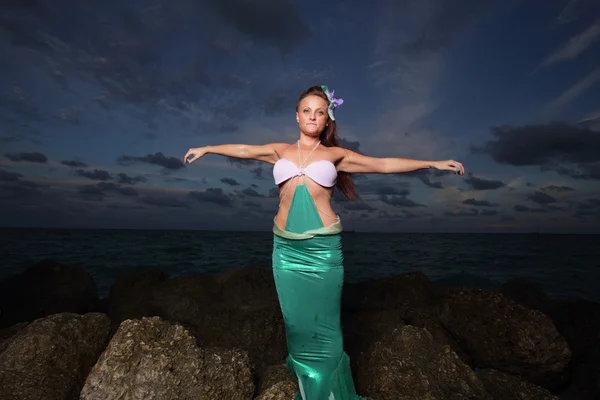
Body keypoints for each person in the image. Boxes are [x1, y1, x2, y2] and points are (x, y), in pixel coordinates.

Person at [183, 85, 465, 400]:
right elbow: (245, 150)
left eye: (320, 111)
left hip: (323, 251)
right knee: (297, 327)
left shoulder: (336, 155)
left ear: (327, 119)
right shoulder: (279, 150)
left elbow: (383, 164)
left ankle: (330, 394)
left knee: (328, 332)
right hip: (286, 251)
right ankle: (306, 389)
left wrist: (433, 163)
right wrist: (208, 148)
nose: (312, 116)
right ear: (297, 116)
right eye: (307, 110)